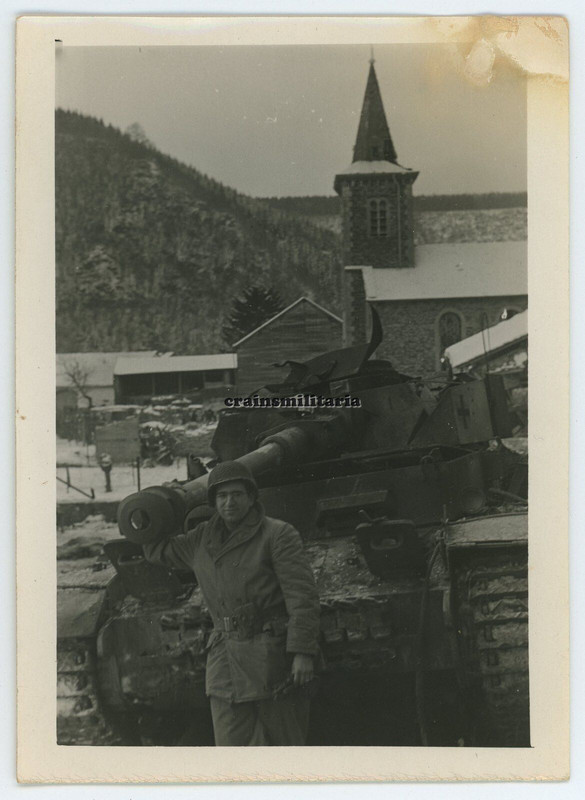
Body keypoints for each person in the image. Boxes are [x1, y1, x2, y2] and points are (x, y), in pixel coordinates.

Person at [142, 461, 321, 746]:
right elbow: (157, 549)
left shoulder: (277, 534)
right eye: (222, 496)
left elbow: (302, 596)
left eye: (237, 494)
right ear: (212, 502)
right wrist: (163, 508)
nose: (230, 502)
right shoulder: (200, 538)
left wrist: (302, 652)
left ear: (251, 498)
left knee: (284, 747)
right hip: (224, 657)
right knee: (231, 749)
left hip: (271, 656)